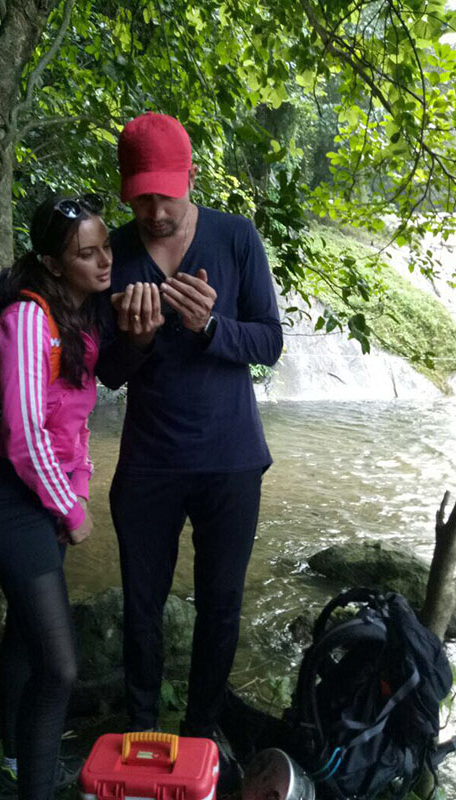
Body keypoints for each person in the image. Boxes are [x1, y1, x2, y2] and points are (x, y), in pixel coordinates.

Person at [96, 113, 283, 771]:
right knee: (142, 609)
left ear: (190, 177)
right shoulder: (113, 253)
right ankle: (142, 737)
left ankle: (202, 736)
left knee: (220, 608)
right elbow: (106, 372)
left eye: (164, 195)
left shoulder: (235, 239)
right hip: (149, 463)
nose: (153, 211)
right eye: (140, 196)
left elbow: (269, 342)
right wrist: (138, 341)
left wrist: (209, 327)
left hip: (232, 460)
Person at [0, 194, 112, 800]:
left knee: (26, 639)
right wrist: (72, 509)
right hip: (12, 500)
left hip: (43, 498)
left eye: (106, 246)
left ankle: (12, 759)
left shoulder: (75, 316)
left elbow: (74, 424)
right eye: (87, 253)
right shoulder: (28, 322)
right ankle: (33, 785)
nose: (105, 261)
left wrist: (74, 487)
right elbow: (24, 434)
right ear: (54, 265)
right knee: (60, 667)